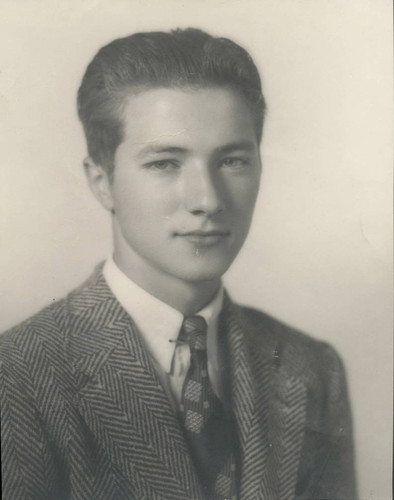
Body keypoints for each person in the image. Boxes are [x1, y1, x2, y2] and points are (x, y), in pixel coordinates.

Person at [0, 28, 357, 500]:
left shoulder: (311, 368)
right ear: (102, 181)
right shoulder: (18, 375)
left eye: (232, 160)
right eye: (165, 163)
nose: (207, 200)